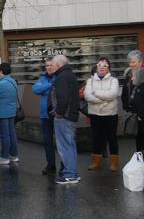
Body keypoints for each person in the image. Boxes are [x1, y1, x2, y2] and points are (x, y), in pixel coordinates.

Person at [84, 57, 121, 171]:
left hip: (110, 114)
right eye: (99, 65)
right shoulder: (90, 81)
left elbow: (112, 94)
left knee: (112, 138)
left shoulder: (113, 80)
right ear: (96, 67)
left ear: (108, 68)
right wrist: (104, 98)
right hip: (94, 114)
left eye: (105, 65)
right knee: (96, 138)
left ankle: (114, 163)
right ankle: (96, 162)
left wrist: (96, 93)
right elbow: (87, 96)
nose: (102, 68)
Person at [49, 55, 81, 184]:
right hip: (71, 115)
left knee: (65, 146)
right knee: (70, 145)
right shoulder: (70, 75)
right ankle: (73, 172)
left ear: (58, 65)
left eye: (53, 64)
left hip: (64, 117)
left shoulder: (61, 78)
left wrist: (58, 113)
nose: (51, 67)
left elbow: (63, 99)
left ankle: (70, 174)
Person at [32, 57, 58, 175]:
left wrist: (46, 87)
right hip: (45, 115)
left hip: (58, 114)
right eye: (47, 66)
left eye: (50, 65)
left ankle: (64, 166)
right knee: (47, 142)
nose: (48, 67)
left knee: (60, 142)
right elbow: (36, 89)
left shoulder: (59, 77)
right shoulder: (43, 78)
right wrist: (50, 85)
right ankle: (51, 165)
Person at [0, 63, 19, 165]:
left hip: (1, 113)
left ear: (1, 71)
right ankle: (14, 155)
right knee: (11, 134)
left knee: (5, 135)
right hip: (12, 112)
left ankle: (4, 157)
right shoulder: (13, 81)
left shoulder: (0, 84)